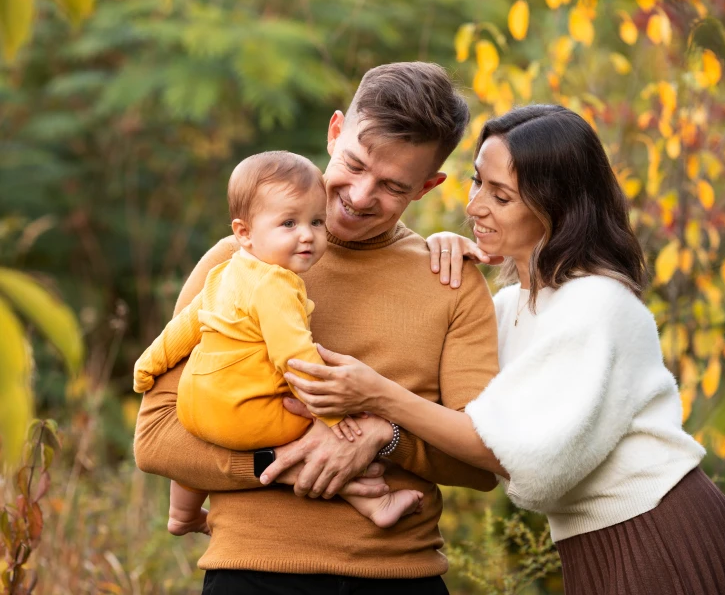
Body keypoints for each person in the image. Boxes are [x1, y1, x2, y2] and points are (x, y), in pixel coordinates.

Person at [280, 105, 725, 594]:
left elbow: (511, 456)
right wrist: (431, 253)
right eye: (477, 183)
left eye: (502, 196)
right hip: (592, 542)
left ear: (556, 208)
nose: (474, 207)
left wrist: (376, 397)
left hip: (659, 531)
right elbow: (450, 407)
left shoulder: (597, 304)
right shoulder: (509, 305)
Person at [133, 62, 500, 595]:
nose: (359, 195)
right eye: (354, 164)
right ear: (334, 132)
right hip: (251, 573)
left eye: (393, 186)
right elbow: (156, 440)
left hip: (400, 576)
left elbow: (484, 461)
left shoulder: (451, 281)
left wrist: (384, 435)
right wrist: (284, 458)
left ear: (428, 186)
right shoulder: (234, 262)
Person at [132, 151, 424, 534]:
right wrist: (333, 418)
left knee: (211, 428)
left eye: (316, 222)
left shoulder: (225, 271)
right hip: (246, 413)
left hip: (194, 408)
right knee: (327, 441)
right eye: (288, 223)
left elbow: (184, 329)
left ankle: (182, 515)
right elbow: (294, 358)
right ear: (244, 232)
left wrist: (147, 365)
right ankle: (374, 501)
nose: (307, 235)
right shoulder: (277, 284)